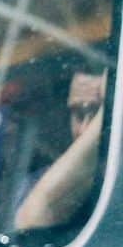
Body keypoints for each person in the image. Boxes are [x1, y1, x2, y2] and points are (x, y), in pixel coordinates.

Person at [14, 66, 107, 231]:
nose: (84, 129)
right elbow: (31, 224)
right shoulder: (37, 181)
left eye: (96, 112)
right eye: (78, 114)